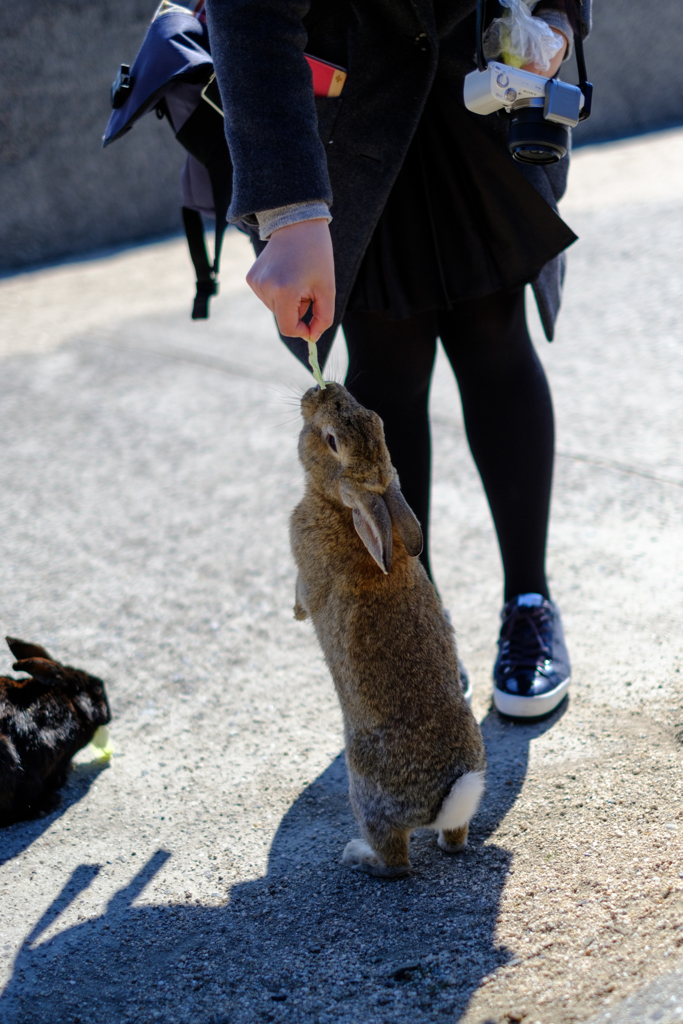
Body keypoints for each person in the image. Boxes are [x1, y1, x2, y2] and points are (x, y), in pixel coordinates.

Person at [206, 0, 591, 719]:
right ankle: (420, 626)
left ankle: (529, 601)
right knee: (388, 361)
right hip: (352, 112)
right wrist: (290, 210)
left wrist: (558, 19)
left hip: (481, 83)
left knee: (494, 334)